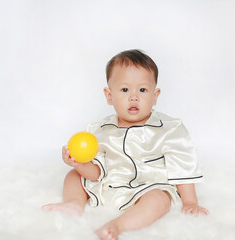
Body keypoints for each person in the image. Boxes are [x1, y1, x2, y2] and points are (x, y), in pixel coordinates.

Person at [42, 49, 209, 240]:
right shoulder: (100, 130)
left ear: (155, 95)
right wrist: (79, 164)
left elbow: (182, 167)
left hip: (146, 188)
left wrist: (190, 201)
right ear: (109, 95)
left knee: (160, 199)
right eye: (124, 90)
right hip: (108, 186)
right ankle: (73, 203)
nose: (134, 97)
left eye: (143, 90)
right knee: (73, 175)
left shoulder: (169, 129)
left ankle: (116, 226)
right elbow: (96, 173)